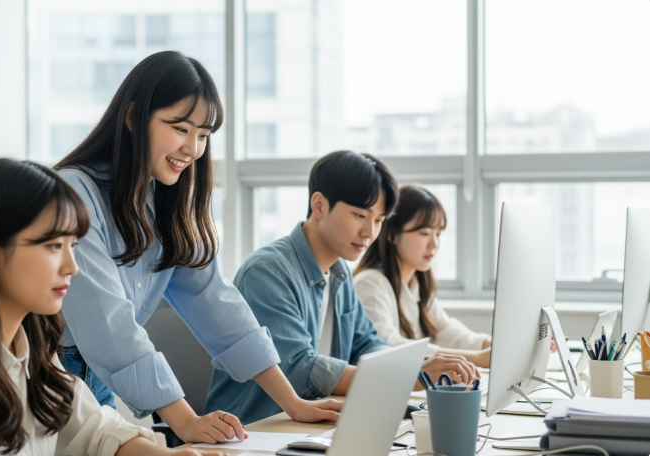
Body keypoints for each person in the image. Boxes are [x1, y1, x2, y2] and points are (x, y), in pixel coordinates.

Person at [54, 51, 340, 442]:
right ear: (133, 118)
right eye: (180, 128)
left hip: (95, 377)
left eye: (204, 135)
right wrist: (186, 422)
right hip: (45, 371)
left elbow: (216, 303)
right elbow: (109, 324)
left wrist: (294, 404)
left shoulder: (167, 204)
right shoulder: (74, 193)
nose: (192, 148)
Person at [0, 159, 222, 456]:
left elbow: (98, 432)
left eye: (72, 245)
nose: (71, 267)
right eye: (52, 246)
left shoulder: (32, 355)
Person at [206, 151, 479, 424]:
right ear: (319, 205)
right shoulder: (267, 272)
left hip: (311, 426)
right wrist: (407, 376)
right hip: (253, 430)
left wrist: (410, 368)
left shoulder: (340, 275)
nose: (370, 232)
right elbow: (298, 368)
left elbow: (367, 344)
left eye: (378, 220)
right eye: (360, 215)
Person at [353, 185, 493, 367]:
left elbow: (445, 330)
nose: (434, 244)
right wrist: (476, 359)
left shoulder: (417, 281)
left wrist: (489, 345)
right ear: (392, 234)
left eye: (438, 233)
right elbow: (386, 344)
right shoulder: (370, 283)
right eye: (424, 233)